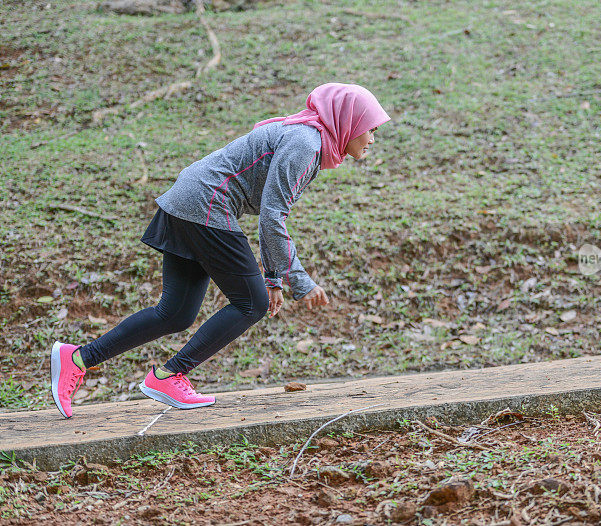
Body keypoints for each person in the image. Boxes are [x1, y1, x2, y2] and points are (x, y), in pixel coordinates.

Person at [50, 83, 390, 418]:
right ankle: (169, 376)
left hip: (190, 199)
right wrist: (297, 280)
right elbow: (273, 218)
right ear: (347, 122)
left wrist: (273, 278)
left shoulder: (308, 138)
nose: (373, 138)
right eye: (369, 128)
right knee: (251, 303)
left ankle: (78, 358)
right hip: (207, 204)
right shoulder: (306, 143)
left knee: (176, 312)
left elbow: (271, 216)